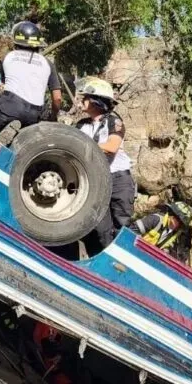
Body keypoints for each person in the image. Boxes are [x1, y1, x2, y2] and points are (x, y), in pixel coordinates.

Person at [75, 77, 133, 255]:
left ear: (95, 101)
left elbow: (111, 147)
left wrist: (82, 144)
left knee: (122, 226)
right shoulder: (81, 125)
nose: (81, 101)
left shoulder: (114, 122)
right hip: (95, 180)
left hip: (118, 180)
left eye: (85, 98)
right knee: (99, 228)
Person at [0, 21, 61, 136]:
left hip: (8, 107)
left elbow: (2, 86)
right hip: (34, 115)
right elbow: (57, 98)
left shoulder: (8, 57)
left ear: (16, 43)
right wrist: (53, 116)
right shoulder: (48, 63)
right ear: (38, 45)